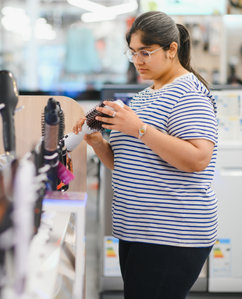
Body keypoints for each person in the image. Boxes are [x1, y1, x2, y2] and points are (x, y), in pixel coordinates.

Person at [73, 11, 218, 299]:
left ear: (171, 49)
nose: (138, 61)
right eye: (133, 53)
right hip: (138, 230)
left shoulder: (188, 93)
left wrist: (139, 129)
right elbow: (129, 164)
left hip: (171, 234)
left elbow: (198, 159)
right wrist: (98, 143)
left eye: (146, 53)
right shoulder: (144, 96)